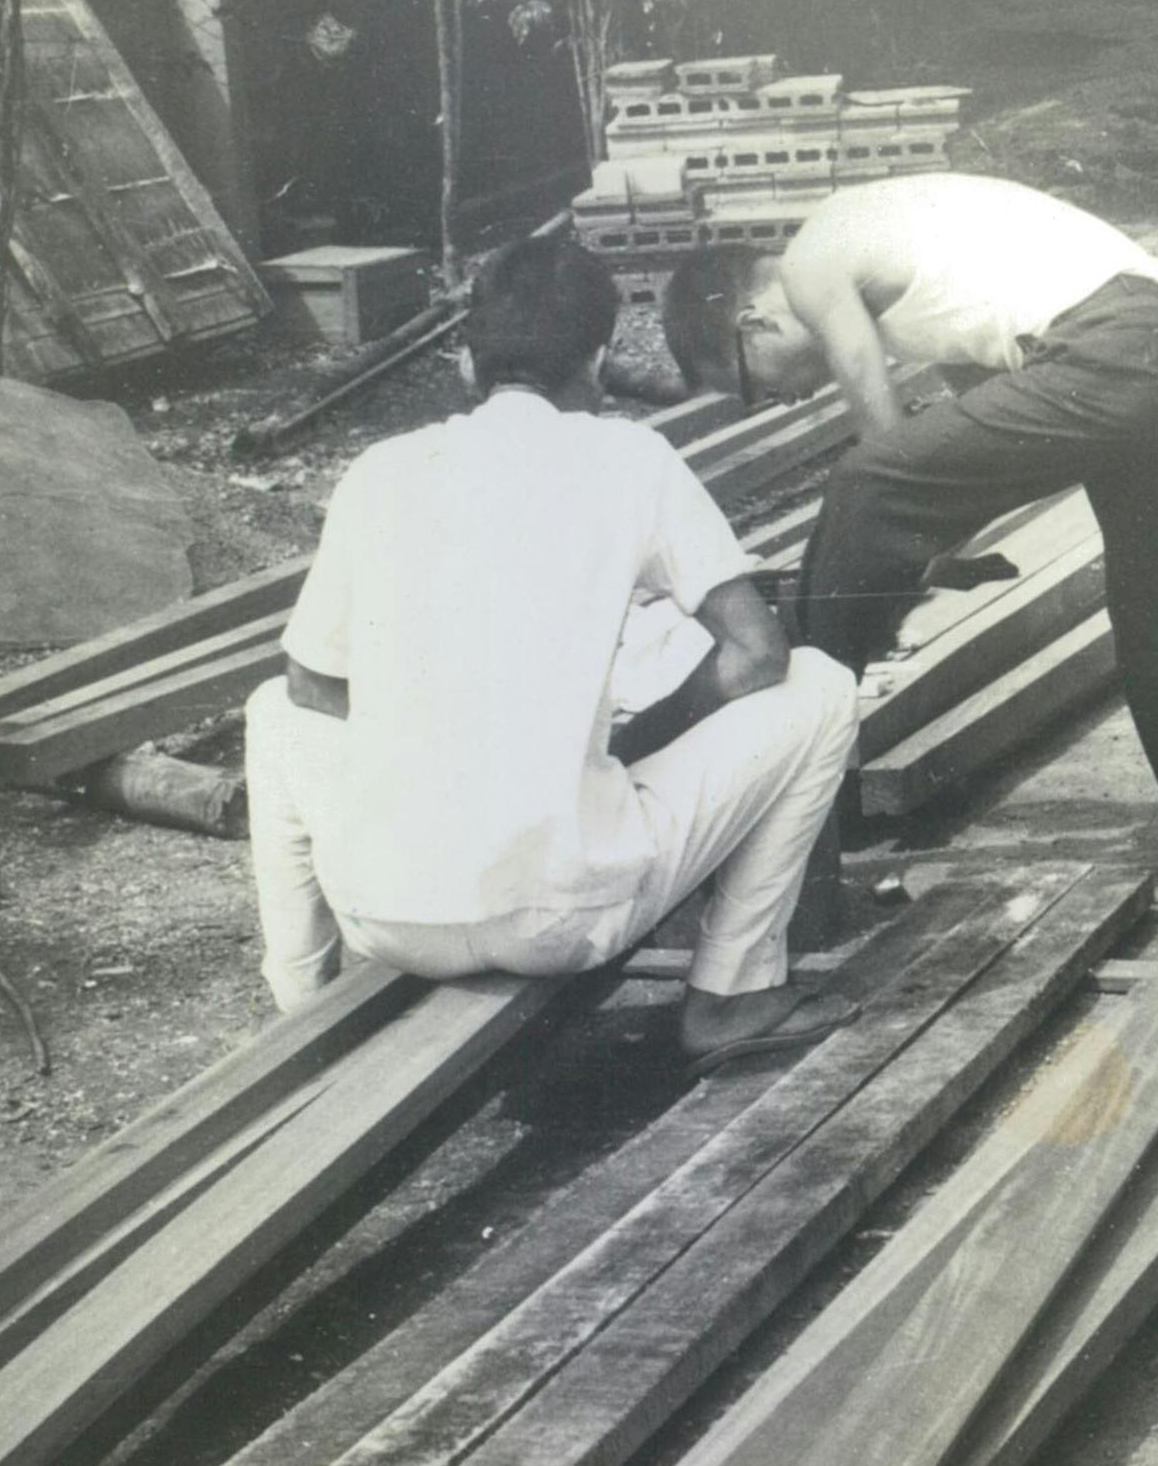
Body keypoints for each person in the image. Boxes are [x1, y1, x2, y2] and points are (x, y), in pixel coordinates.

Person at [243, 233, 861, 1063]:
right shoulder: (630, 456)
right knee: (819, 687)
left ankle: (300, 1011)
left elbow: (313, 688)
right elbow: (758, 654)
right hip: (564, 915)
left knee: (270, 711)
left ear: (467, 362)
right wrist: (637, 744)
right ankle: (732, 990)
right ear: (598, 361)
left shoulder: (378, 471)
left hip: (383, 913)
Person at [748, 170, 1158, 820]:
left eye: (754, 386)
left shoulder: (807, 264)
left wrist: (869, 599)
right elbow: (970, 448)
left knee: (864, 479)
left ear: (752, 325)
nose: (782, 400)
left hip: (1115, 348)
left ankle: (804, 770)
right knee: (1147, 602)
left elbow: (886, 451)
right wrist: (932, 548)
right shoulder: (917, 264)